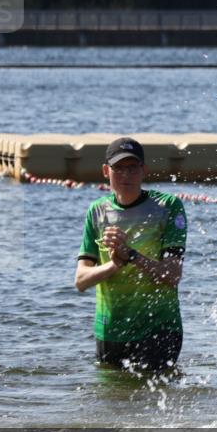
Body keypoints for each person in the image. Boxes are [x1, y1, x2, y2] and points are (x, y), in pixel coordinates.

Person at [75, 137, 187, 374]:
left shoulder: (168, 207)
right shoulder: (97, 212)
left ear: (143, 170)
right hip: (110, 330)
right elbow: (81, 280)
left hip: (159, 328)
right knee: (112, 403)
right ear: (106, 171)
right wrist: (114, 265)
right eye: (119, 168)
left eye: (132, 168)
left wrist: (132, 256)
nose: (126, 175)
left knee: (157, 404)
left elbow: (172, 274)